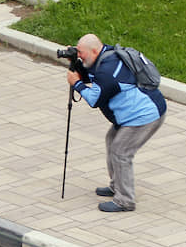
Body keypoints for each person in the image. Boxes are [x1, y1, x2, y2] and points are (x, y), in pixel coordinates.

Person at [66, 34, 166, 212]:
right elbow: (91, 74)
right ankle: (116, 186)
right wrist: (76, 61)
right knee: (111, 140)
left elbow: (94, 99)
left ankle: (125, 200)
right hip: (131, 114)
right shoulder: (107, 55)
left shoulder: (106, 72)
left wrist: (76, 84)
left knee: (121, 151)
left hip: (144, 116)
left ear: (94, 51)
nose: (80, 56)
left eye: (81, 53)